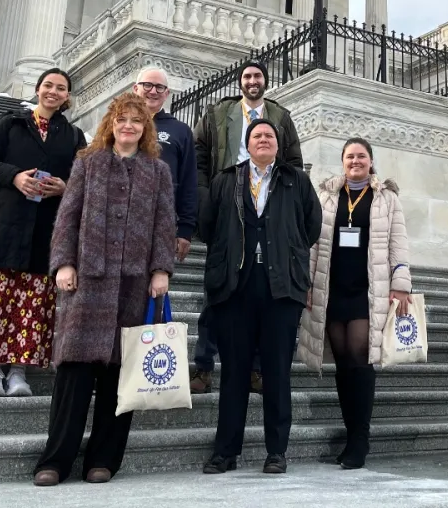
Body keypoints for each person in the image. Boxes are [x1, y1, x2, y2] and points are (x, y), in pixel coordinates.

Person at [32, 92, 175, 486]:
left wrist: (161, 270)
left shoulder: (157, 171)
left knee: (119, 377)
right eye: (122, 120)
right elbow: (68, 217)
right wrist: (63, 262)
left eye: (136, 121)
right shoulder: (87, 164)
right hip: (88, 281)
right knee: (74, 375)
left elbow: (165, 223)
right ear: (111, 124)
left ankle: (104, 460)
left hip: (134, 284)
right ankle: (55, 460)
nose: (128, 126)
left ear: (145, 128)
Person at [199, 118, 321, 475]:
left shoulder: (296, 180)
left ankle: (276, 451)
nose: (264, 139)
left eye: (269, 135)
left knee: (277, 372)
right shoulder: (226, 180)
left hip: (281, 289)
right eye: (257, 136)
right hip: (235, 289)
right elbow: (208, 226)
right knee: (234, 372)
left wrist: (289, 253)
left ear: (278, 145)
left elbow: (312, 226)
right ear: (248, 145)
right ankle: (226, 451)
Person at [0, 68, 85, 397]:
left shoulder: (74, 135)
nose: (53, 92)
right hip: (6, 226)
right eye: (48, 85)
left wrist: (66, 186)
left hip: (46, 229)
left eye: (61, 88)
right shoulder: (12, 124)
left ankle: (19, 370)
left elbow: (84, 178)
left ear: (67, 96)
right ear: (37, 89)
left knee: (34, 303)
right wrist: (15, 177)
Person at [297, 137, 412, 470]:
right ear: (342, 161)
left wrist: (401, 283)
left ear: (371, 161)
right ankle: (351, 434)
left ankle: (360, 438)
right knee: (344, 363)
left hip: (368, 290)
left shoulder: (386, 198)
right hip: (332, 289)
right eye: (350, 156)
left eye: (361, 156)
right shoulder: (328, 196)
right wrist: (305, 282)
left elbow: (398, 243)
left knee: (361, 360)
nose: (355, 161)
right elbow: (311, 243)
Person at [191, 58, 303, 395]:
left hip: (267, 208)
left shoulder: (280, 116)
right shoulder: (216, 114)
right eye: (247, 76)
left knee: (262, 290)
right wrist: (204, 194)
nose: (252, 81)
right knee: (217, 290)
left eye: (257, 76)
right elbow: (199, 152)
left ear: (265, 82)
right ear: (240, 82)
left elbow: (295, 161)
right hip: (228, 203)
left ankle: (255, 370)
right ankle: (204, 367)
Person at [133, 67, 197, 261]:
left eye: (159, 87)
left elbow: (189, 180)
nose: (153, 91)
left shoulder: (180, 130)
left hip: (161, 222)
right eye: (147, 85)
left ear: (167, 93)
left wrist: (185, 228)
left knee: (156, 285)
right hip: (119, 217)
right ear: (136, 88)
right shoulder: (118, 124)